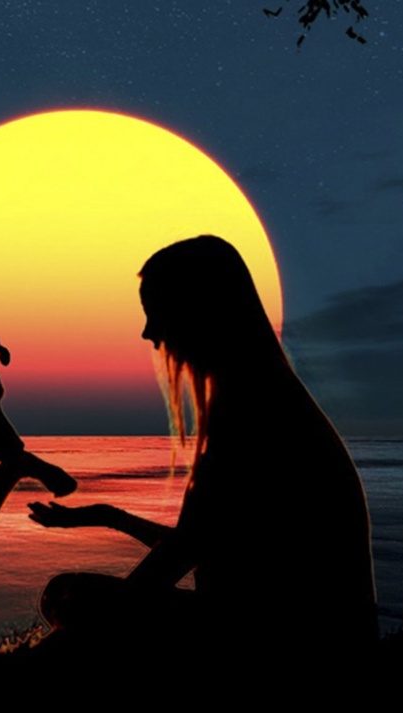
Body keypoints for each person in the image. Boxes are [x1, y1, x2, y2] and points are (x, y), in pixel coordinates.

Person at [28, 234, 378, 687]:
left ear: (197, 309)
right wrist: (109, 516)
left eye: (156, 312)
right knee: (70, 595)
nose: (148, 332)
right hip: (301, 636)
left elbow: (175, 561)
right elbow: (203, 541)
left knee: (78, 598)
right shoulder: (259, 396)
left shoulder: (254, 409)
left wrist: (43, 658)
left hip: (294, 650)